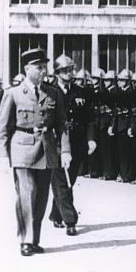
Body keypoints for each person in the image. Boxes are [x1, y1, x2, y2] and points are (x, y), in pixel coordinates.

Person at [0, 48, 71, 257]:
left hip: (46, 149)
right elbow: (2, 127)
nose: (43, 71)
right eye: (38, 67)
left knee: (42, 197)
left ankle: (34, 239)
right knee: (26, 194)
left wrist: (65, 150)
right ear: (27, 68)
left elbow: (62, 124)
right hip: (21, 148)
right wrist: (1, 155)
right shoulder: (13, 93)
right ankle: (25, 240)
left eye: (44, 67)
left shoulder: (54, 93)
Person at [45, 55, 93, 235]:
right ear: (57, 73)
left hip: (77, 142)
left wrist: (91, 138)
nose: (69, 73)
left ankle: (55, 215)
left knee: (69, 181)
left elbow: (90, 118)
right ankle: (70, 219)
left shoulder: (81, 92)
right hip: (56, 143)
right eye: (65, 70)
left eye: (71, 69)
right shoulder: (49, 91)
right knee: (61, 181)